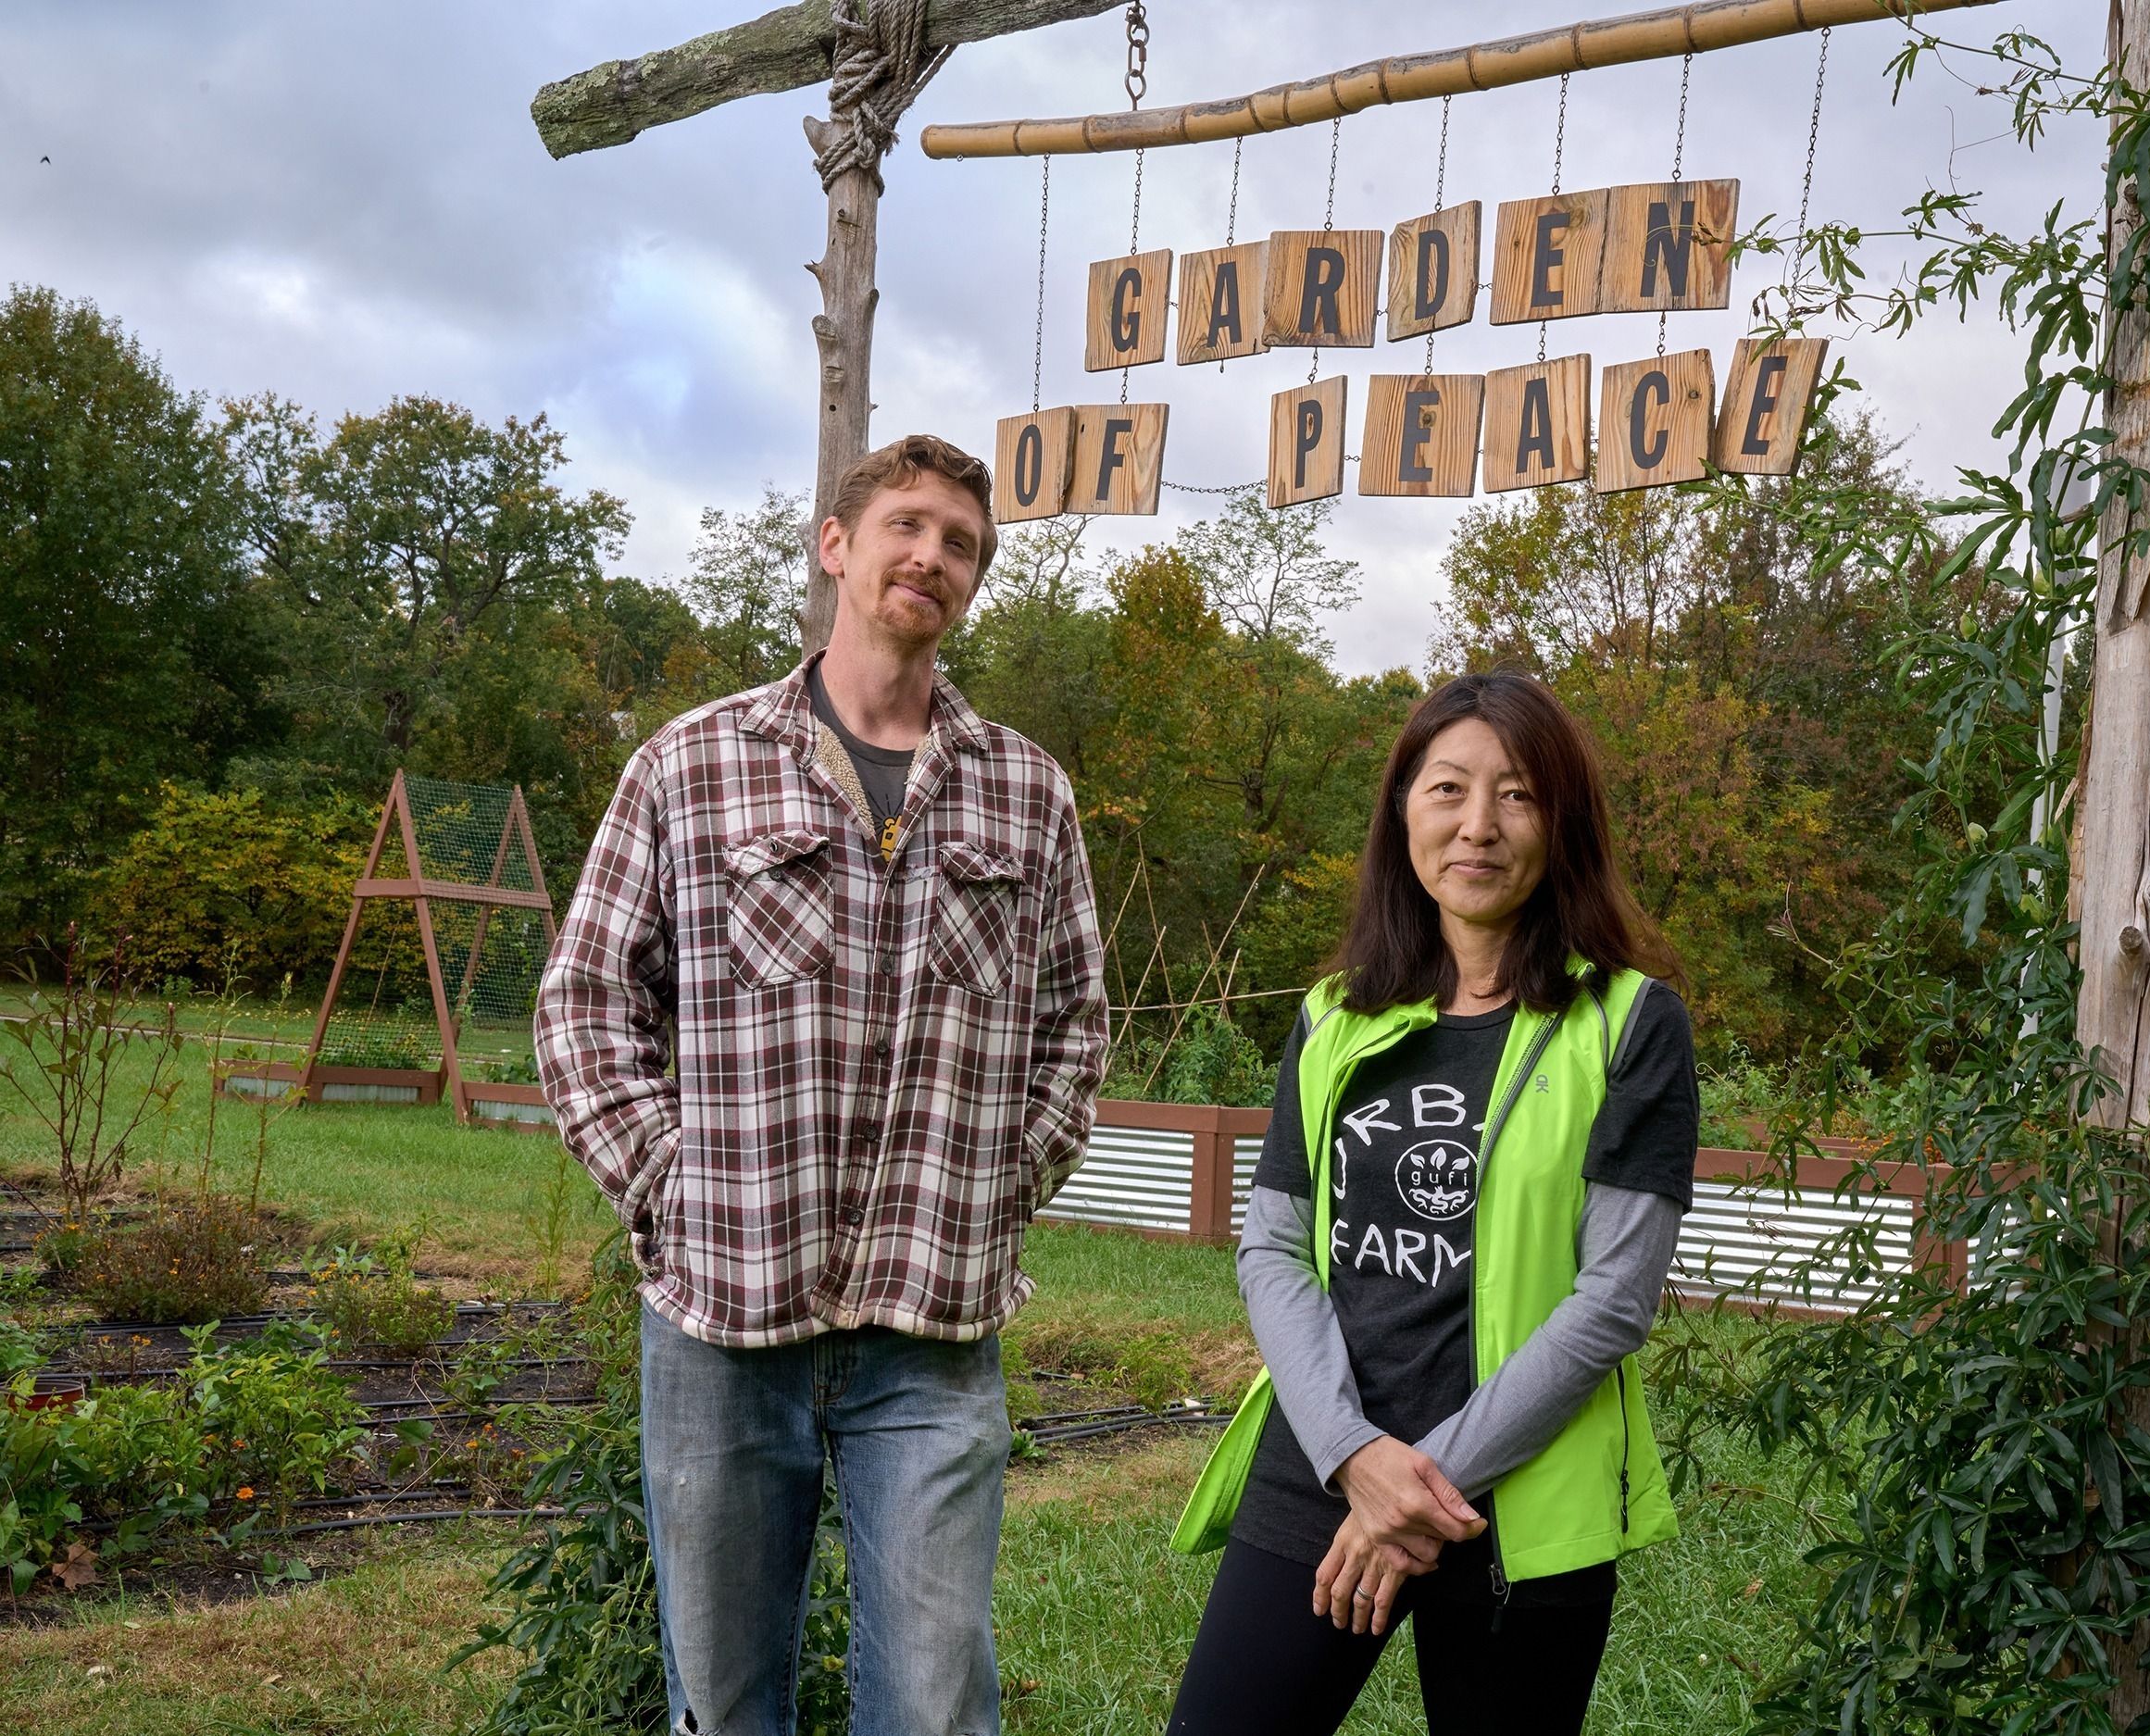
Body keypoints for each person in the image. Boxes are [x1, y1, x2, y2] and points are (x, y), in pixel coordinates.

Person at [534, 433, 1109, 1736]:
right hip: (722, 1317)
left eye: (961, 543)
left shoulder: (1026, 792)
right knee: (725, 1698)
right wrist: (670, 1185)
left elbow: (1078, 1020)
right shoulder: (692, 763)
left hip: (933, 1327)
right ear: (836, 544)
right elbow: (583, 1000)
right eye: (908, 525)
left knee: (934, 1696)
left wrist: (1004, 1183)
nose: (933, 556)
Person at [1166, 670, 1698, 1736]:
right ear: (1404, 807)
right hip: (1323, 1460)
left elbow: (1615, 1298)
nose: (1478, 826)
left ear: (1562, 823)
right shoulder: (1333, 1017)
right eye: (1448, 788)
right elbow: (1271, 1248)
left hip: (1514, 1495)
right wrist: (1357, 1460)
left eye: (1517, 795)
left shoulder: (1629, 1025)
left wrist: (1424, 1485)